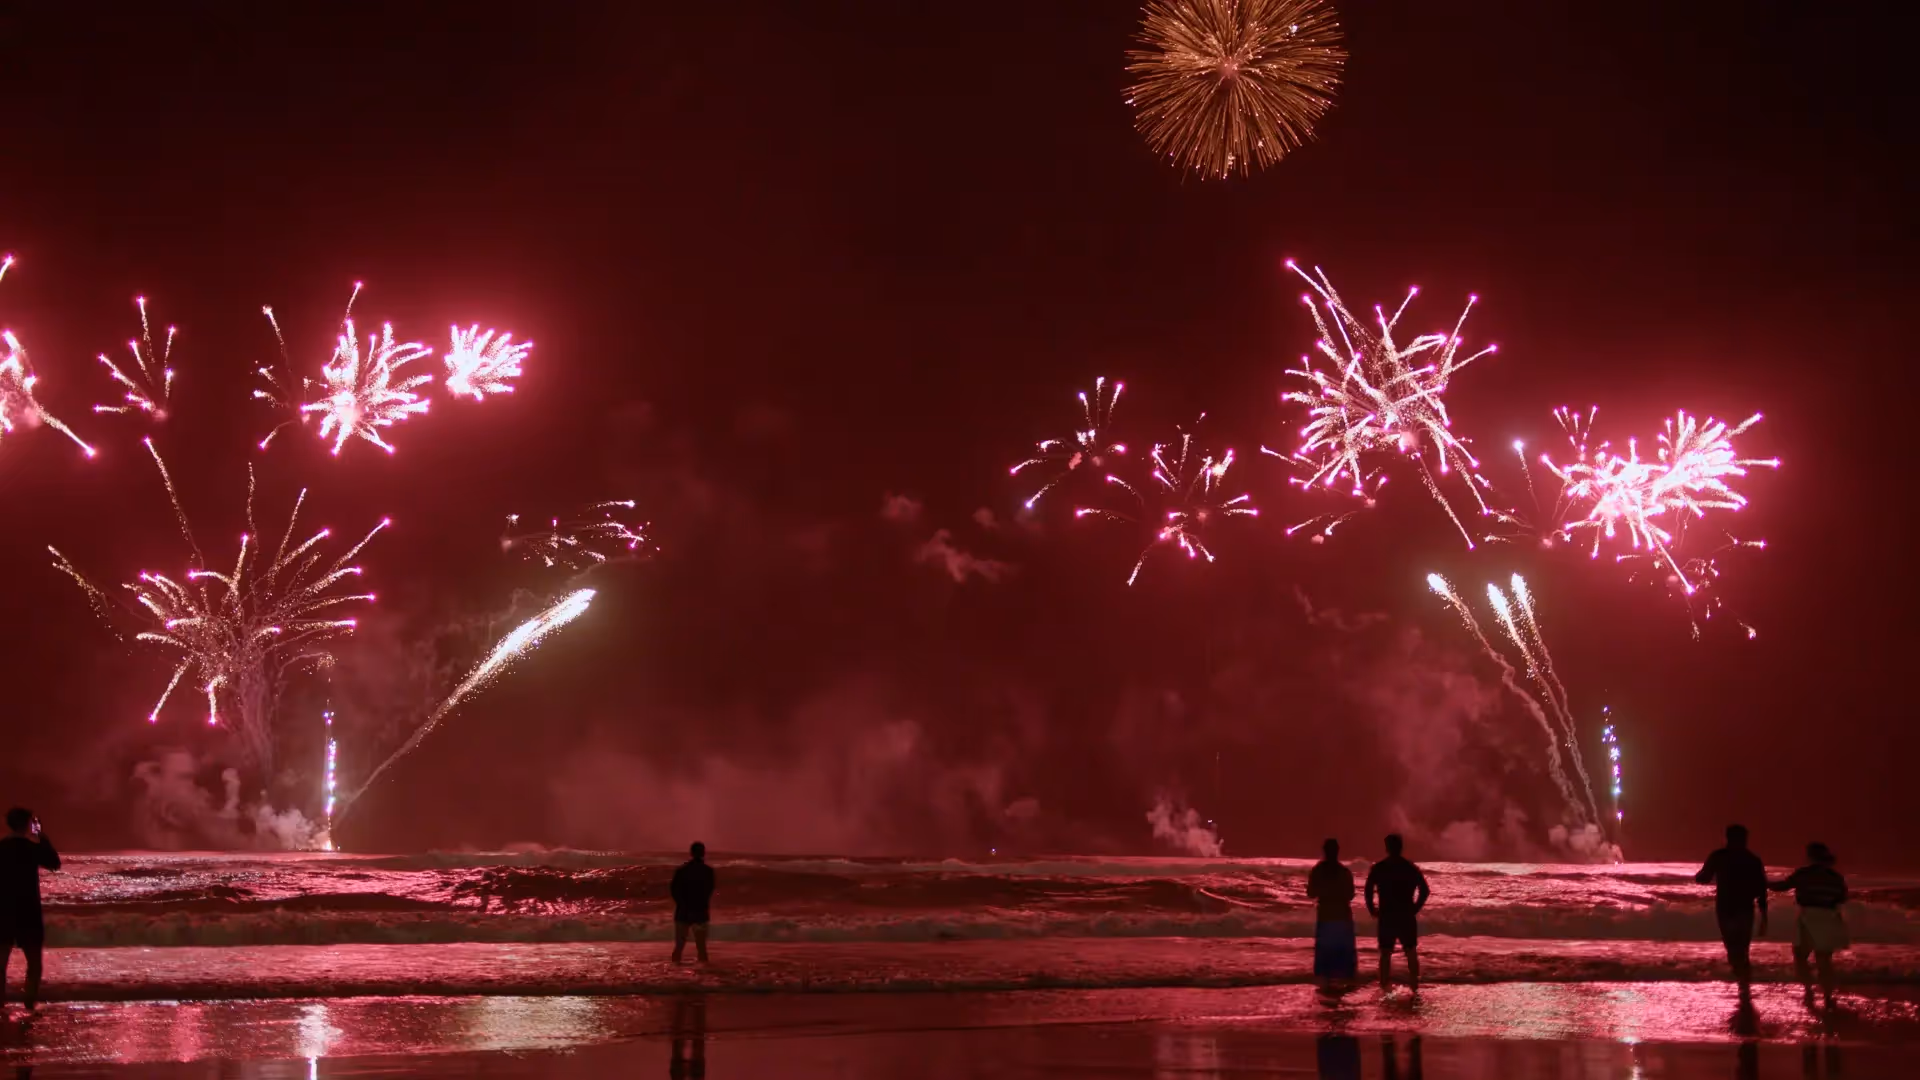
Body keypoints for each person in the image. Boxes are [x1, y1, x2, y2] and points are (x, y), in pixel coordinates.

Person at [1770, 841, 1848, 1004]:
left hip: (1809, 916)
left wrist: (1763, 882)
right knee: (1824, 959)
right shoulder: (1836, 877)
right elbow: (1842, 898)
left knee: (1800, 955)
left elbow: (1782, 886)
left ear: (1810, 856)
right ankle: (1827, 996)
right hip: (1830, 918)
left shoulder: (1804, 873)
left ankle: (1808, 991)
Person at [1, 808, 61, 1014]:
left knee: (1, 962)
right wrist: (41, 836)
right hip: (28, 911)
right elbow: (54, 863)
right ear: (28, 824)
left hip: (4, 911)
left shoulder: (2, 848)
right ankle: (29, 1002)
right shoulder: (31, 848)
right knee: (34, 963)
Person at [1695, 824, 1769, 993]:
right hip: (1745, 908)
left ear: (1727, 837)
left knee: (1732, 948)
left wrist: (1698, 877)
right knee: (1743, 948)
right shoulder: (1753, 859)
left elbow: (1703, 878)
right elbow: (1761, 888)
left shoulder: (1718, 856)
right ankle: (1744, 985)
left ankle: (1743, 983)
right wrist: (1764, 916)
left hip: (1725, 908)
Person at [1363, 833, 1429, 988]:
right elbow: (1425, 890)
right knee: (1410, 952)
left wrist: (1372, 909)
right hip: (1406, 914)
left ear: (1387, 848)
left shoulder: (1379, 868)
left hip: (1387, 915)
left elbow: (1367, 890)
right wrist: (1415, 908)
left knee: (1386, 953)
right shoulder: (1410, 868)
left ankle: (1384, 986)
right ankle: (1414, 985)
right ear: (1401, 847)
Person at [1307, 838, 1357, 980]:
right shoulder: (1344, 871)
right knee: (1344, 956)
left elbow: (1310, 893)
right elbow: (1351, 894)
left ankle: (1325, 984)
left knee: (1324, 956)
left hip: (1326, 914)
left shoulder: (1318, 870)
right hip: (1342, 914)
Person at [669, 841, 716, 964]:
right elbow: (709, 891)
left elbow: (674, 891)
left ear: (691, 853)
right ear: (703, 853)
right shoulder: (708, 871)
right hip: (700, 912)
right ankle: (704, 977)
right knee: (701, 948)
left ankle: (672, 974)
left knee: (679, 946)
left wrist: (683, 904)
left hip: (683, 912)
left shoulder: (682, 870)